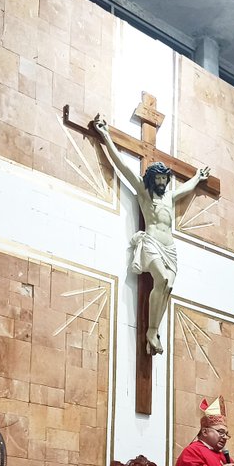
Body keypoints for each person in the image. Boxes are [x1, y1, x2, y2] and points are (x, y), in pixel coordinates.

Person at [91, 115, 211, 356]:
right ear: (151, 178)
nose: (161, 182)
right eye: (157, 178)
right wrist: (106, 136)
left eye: (164, 178)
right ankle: (151, 330)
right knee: (163, 280)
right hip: (152, 244)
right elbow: (123, 167)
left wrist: (197, 178)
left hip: (170, 250)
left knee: (168, 288)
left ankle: (154, 330)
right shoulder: (144, 193)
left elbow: (186, 189)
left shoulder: (169, 196)